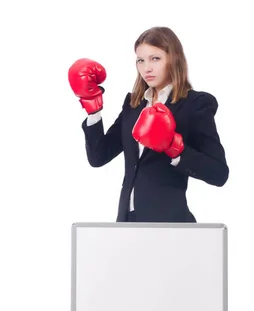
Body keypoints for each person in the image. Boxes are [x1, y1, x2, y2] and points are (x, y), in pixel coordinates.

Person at [69, 26, 229, 222]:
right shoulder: (134, 105)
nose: (147, 68)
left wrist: (175, 148)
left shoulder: (194, 105)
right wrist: (93, 110)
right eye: (140, 60)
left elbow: (219, 174)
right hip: (128, 222)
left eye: (155, 58)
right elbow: (98, 157)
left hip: (170, 224)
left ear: (173, 59)